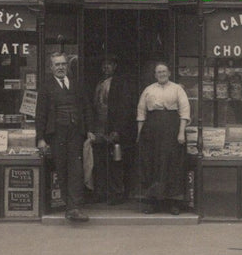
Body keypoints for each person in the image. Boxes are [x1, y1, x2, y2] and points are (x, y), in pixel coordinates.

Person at [35, 52, 95, 222]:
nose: (60, 67)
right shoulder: (46, 87)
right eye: (57, 64)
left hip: (75, 133)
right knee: (62, 169)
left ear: (67, 66)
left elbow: (86, 108)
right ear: (51, 67)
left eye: (63, 64)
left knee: (76, 169)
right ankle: (69, 206)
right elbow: (40, 114)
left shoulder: (76, 85)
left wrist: (90, 130)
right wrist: (41, 138)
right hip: (57, 135)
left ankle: (74, 208)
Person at [136, 62, 190, 215]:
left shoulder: (177, 89)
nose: (162, 74)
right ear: (155, 75)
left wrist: (181, 133)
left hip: (172, 130)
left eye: (164, 71)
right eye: (159, 72)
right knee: (152, 164)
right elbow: (141, 113)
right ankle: (152, 202)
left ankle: (174, 202)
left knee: (172, 164)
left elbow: (185, 111)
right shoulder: (148, 90)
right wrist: (140, 134)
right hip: (151, 131)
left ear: (169, 73)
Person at [90, 54, 137, 205]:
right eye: (104, 64)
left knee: (116, 162)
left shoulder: (121, 83)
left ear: (115, 66)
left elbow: (125, 108)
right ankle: (101, 193)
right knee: (99, 162)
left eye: (109, 64)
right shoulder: (99, 83)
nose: (106, 67)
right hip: (99, 127)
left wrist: (118, 130)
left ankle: (117, 193)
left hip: (114, 128)